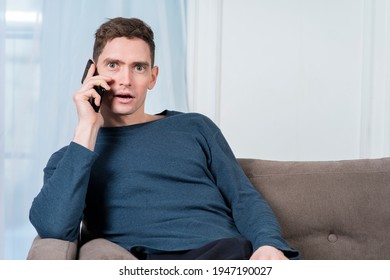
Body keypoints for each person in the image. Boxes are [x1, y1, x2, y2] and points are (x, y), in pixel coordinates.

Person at [29, 17, 299, 260]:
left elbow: (243, 197)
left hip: (226, 254)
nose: (125, 79)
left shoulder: (195, 127)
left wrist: (268, 244)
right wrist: (87, 127)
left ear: (152, 77)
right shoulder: (72, 157)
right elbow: (53, 226)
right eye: (113, 65)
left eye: (138, 67)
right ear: (92, 73)